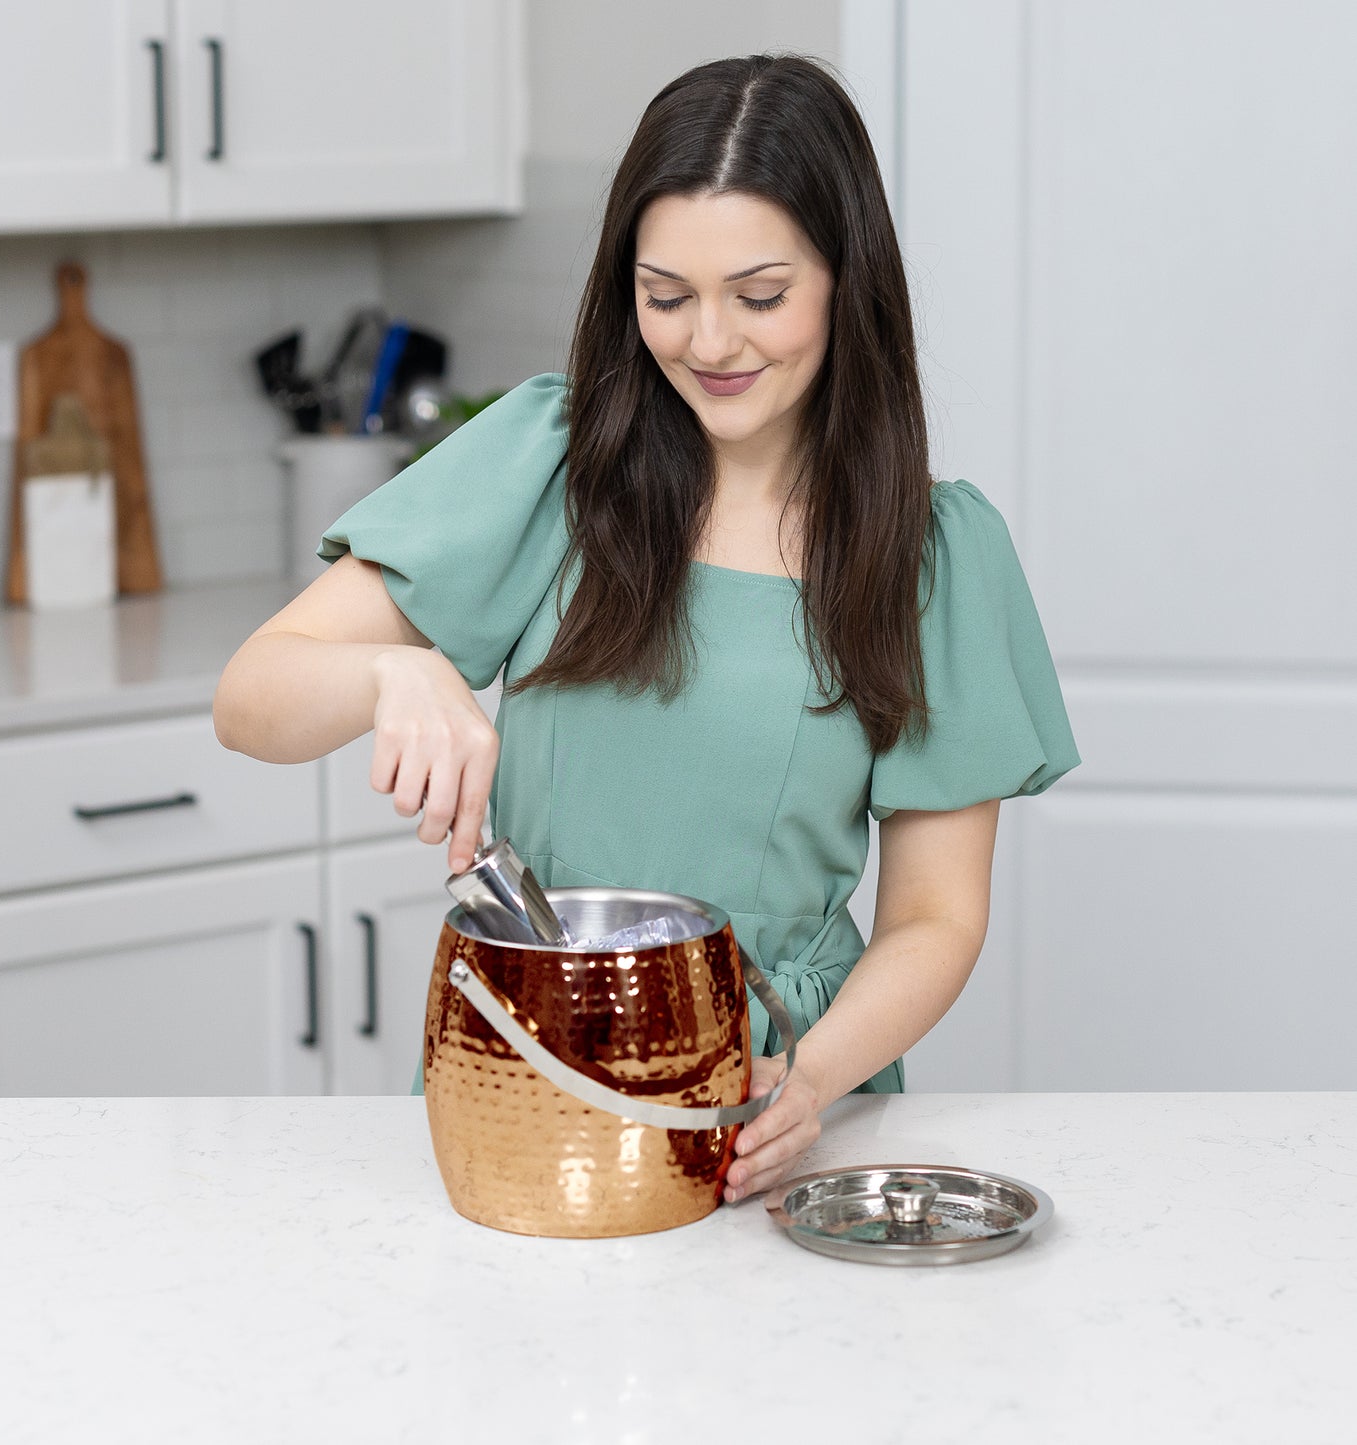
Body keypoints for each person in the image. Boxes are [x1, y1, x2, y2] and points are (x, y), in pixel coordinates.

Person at [214, 53, 1079, 1204]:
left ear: (845, 280)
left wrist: (807, 1081)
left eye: (758, 295)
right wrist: (392, 676)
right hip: (529, 1069)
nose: (708, 341)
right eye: (664, 294)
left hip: (779, 1099)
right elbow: (251, 698)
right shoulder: (552, 465)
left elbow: (932, 914)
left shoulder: (928, 553)